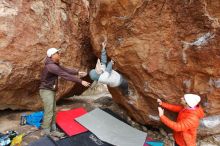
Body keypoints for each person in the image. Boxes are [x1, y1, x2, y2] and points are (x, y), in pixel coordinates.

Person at [39, 48, 90, 137]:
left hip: (50, 90)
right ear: (52, 55)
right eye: (57, 53)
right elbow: (65, 75)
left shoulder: (54, 64)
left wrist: (77, 72)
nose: (59, 54)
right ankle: (46, 131)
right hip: (46, 90)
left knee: (53, 110)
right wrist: (80, 81)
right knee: (49, 110)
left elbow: (66, 70)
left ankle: (53, 129)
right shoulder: (51, 66)